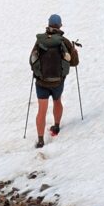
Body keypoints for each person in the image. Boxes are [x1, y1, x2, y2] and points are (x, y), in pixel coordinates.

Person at [29, 14, 79, 148]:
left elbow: (32, 60)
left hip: (41, 82)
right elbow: (74, 62)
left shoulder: (40, 41)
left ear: (49, 24)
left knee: (42, 110)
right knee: (57, 101)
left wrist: (37, 72)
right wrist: (73, 52)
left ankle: (40, 140)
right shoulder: (64, 41)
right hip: (58, 81)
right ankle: (56, 126)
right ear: (60, 25)